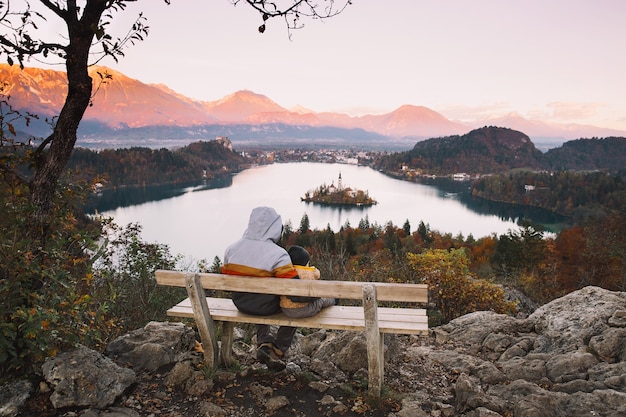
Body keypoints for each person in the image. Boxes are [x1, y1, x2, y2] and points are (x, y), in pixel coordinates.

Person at [221, 206, 316, 371]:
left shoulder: (231, 249)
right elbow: (294, 292)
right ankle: (279, 348)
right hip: (267, 308)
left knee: (259, 296)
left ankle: (264, 341)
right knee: (291, 306)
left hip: (241, 304)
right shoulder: (278, 255)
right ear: (275, 228)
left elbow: (225, 280)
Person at [280, 245, 336, 318]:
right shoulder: (310, 273)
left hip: (285, 309)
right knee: (322, 300)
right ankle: (335, 300)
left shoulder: (285, 272)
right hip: (304, 310)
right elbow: (317, 275)